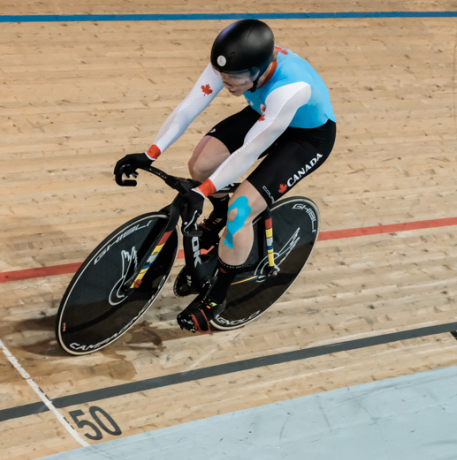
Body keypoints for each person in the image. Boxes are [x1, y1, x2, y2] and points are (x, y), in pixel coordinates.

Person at [113, 19, 336, 333]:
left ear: (260, 70)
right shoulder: (235, 65)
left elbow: (248, 151)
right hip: (264, 114)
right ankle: (217, 216)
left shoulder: (290, 88)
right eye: (223, 76)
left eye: (234, 79)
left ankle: (217, 298)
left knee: (240, 210)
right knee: (200, 166)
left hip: (305, 139)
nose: (226, 83)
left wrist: (202, 191)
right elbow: (189, 107)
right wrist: (151, 152)